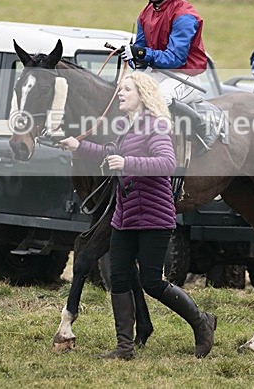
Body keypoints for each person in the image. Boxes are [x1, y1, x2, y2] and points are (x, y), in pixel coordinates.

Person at [59, 72, 216, 359]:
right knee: (119, 277)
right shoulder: (128, 127)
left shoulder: (156, 125)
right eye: (120, 89)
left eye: (126, 89)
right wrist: (78, 146)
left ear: (142, 94)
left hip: (154, 217)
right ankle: (124, 347)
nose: (120, 94)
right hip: (125, 215)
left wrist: (127, 162)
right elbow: (111, 154)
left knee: (152, 282)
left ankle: (202, 322)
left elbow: (167, 162)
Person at [122, 0, 207, 106]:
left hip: (184, 78)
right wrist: (133, 56)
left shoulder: (185, 16)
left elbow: (174, 58)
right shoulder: (145, 14)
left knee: (160, 97)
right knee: (123, 92)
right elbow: (142, 53)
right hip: (157, 74)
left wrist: (141, 53)